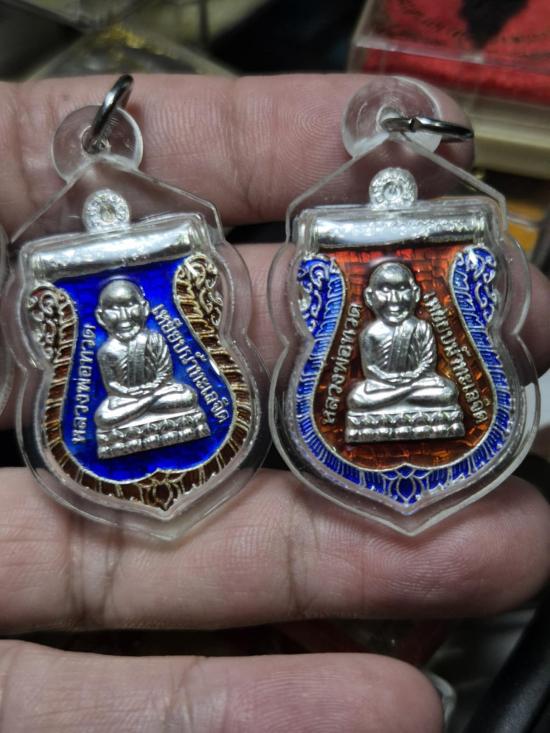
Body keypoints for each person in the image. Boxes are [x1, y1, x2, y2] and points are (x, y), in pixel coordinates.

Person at [1, 74, 549, 733]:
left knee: (426, 388)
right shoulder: (364, 332)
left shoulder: (414, 325)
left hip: (408, 398)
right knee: (126, 411)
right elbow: (123, 393)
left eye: (403, 293)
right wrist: (137, 395)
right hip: (153, 412)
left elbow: (423, 373)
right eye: (383, 295)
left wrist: (408, 383)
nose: (393, 303)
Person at [347, 262, 459, 414]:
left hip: (419, 383)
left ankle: (399, 396)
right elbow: (370, 370)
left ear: (415, 293)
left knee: (448, 392)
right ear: (369, 297)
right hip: (383, 385)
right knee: (357, 398)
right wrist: (390, 380)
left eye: (401, 289)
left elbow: (428, 363)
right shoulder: (370, 333)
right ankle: (404, 394)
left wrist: (413, 377)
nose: (394, 299)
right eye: (385, 290)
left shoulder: (421, 327)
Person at [94, 279, 201, 431]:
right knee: (103, 417)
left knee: (188, 396)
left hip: (157, 391)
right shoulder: (106, 351)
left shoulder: (155, 339)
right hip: (126, 399)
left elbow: (165, 372)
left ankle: (143, 405)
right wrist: (130, 392)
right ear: (100, 317)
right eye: (113, 309)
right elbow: (111, 384)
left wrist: (153, 387)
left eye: (130, 305)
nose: (124, 316)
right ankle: (147, 402)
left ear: (144, 308)